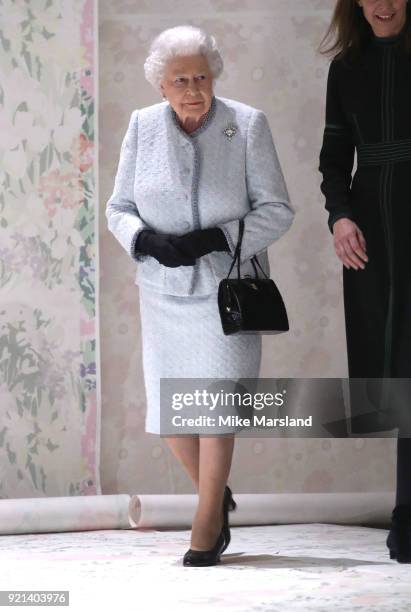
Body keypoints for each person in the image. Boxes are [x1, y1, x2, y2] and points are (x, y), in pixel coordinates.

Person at [105, 25, 294, 566]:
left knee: (215, 409)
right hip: (163, 292)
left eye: (201, 77)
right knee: (170, 414)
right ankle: (218, 496)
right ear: (161, 87)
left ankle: (207, 519)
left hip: (225, 292)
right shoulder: (142, 127)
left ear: (214, 78)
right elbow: (118, 207)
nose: (192, 88)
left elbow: (277, 209)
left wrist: (220, 237)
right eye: (179, 79)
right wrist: (146, 240)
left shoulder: (247, 124)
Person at [319, 0, 411, 562]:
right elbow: (334, 156)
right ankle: (406, 512)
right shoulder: (346, 67)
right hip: (374, 233)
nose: (382, 4)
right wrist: (340, 215)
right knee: (399, 370)